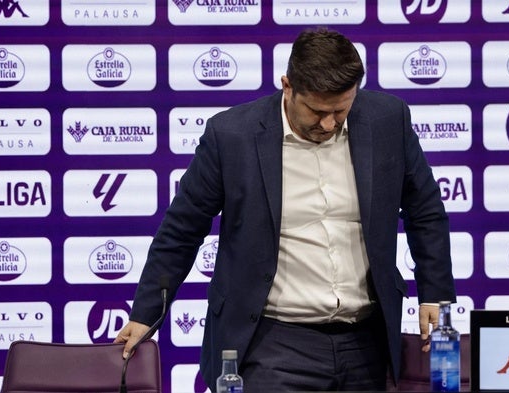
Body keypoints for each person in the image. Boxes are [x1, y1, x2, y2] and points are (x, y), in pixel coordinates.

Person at [115, 27, 456, 391]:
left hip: (368, 341)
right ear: (288, 86)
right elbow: (182, 229)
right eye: (317, 111)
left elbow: (425, 210)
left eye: (341, 111)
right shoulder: (232, 136)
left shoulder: (389, 119)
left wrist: (435, 292)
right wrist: (146, 312)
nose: (329, 124)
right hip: (272, 345)